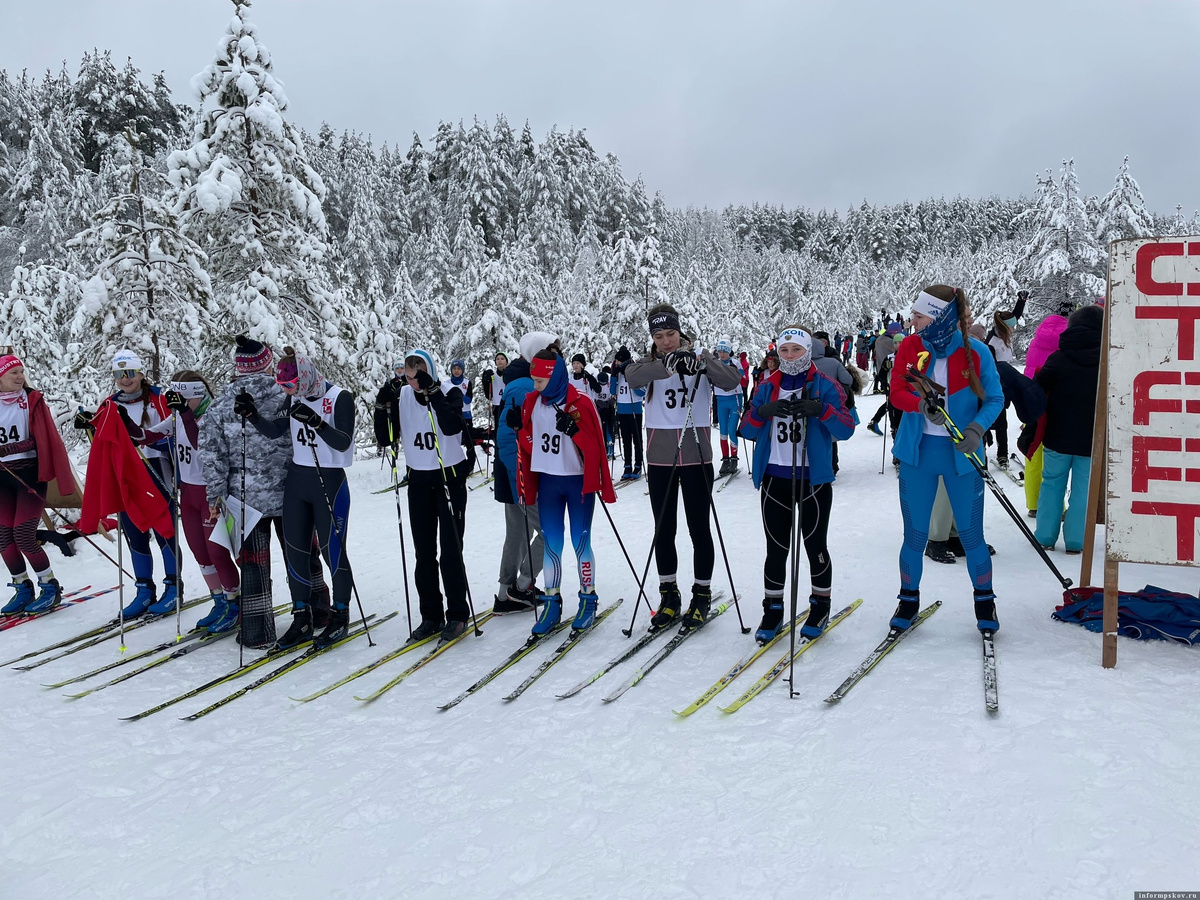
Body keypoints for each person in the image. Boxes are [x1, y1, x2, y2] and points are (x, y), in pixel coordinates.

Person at [201, 336, 332, 647]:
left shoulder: (220, 406)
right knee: (302, 554)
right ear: (267, 363)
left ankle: (258, 630)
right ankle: (319, 611)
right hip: (292, 492)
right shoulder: (287, 395)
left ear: (238, 367)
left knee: (253, 564)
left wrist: (214, 496)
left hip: (244, 498)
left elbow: (212, 455)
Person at [889, 285, 1004, 633]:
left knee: (971, 535)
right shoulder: (910, 347)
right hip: (918, 454)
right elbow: (896, 390)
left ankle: (985, 601)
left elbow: (995, 399)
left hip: (961, 456)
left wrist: (976, 429)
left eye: (919, 316)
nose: (912, 321)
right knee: (915, 536)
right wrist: (919, 404)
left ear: (939, 317)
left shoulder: (977, 352)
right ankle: (908, 600)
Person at [624, 304, 741, 629]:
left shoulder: (699, 357)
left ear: (681, 332)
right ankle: (669, 595)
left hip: (695, 454)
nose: (666, 341)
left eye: (671, 334)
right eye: (659, 336)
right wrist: (665, 366)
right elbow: (631, 376)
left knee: (699, 529)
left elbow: (732, 380)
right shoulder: (649, 362)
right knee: (664, 529)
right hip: (660, 457)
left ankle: (701, 595)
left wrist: (702, 362)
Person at [235, 348, 356, 649]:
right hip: (298, 481)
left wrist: (318, 422)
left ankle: (340, 614)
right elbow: (277, 431)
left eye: (293, 386)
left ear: (306, 375)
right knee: (295, 552)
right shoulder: (296, 398)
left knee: (332, 551)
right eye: (285, 387)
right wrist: (252, 415)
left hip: (329, 480)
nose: (289, 391)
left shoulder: (340, 397)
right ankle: (302, 617)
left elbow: (343, 442)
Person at [739, 329, 855, 641]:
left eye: (796, 350)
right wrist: (763, 412)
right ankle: (773, 610)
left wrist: (822, 410)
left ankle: (820, 606)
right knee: (776, 550)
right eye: (785, 350)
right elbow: (746, 428)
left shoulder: (825, 384)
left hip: (812, 480)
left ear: (808, 351)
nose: (790, 357)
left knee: (815, 546)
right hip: (775, 478)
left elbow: (846, 429)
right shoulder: (767, 385)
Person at [517, 346, 616, 634]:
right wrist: (519, 430)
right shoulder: (533, 402)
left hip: (577, 483)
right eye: (533, 380)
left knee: (580, 541)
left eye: (540, 381)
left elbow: (597, 448)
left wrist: (575, 431)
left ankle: (588, 599)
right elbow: (531, 445)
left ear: (555, 376)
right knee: (551, 544)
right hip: (548, 482)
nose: (535, 386)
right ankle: (552, 602)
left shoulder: (580, 402)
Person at [75, 350, 180, 618]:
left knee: (164, 529)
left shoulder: (159, 398)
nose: (125, 379)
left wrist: (145, 440)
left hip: (156, 468)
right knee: (134, 531)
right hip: (125, 472)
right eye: (119, 374)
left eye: (130, 373)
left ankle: (173, 588)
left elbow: (176, 435)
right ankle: (144, 590)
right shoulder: (109, 403)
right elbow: (103, 442)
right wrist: (90, 425)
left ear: (140, 373)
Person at [147, 372, 241, 624]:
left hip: (212, 493)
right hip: (188, 492)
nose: (179, 404)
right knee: (200, 553)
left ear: (197, 396)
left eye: (184, 399)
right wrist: (117, 421)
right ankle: (219, 601)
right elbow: (146, 436)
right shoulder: (179, 415)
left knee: (217, 552)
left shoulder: (212, 414)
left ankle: (235, 605)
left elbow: (203, 443)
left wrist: (186, 415)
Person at [394, 349, 473, 641]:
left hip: (448, 479)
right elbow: (388, 433)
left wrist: (434, 393)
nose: (415, 382)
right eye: (411, 376)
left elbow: (453, 426)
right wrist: (382, 406)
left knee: (451, 551)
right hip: (418, 481)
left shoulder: (449, 392)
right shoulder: (403, 395)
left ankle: (457, 615)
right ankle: (431, 615)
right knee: (423, 553)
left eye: (420, 375)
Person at [0, 355, 76, 614]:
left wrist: (15, 447)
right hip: (2, 478)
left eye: (22, 371)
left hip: (29, 476)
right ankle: (23, 588)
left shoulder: (30, 400)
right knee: (3, 536)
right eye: (14, 373)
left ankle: (50, 587)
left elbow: (45, 438)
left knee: (23, 535)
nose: (20, 377)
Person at [1033, 305, 1103, 554]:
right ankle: (1076, 540)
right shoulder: (1107, 361)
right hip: (1091, 439)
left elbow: (1037, 390)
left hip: (1057, 435)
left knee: (1051, 484)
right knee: (1084, 490)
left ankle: (1044, 536)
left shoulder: (1058, 358)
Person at [493, 334, 546, 613]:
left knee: (517, 531)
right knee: (549, 532)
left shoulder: (516, 382)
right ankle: (522, 586)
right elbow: (510, 437)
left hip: (509, 472)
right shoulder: (527, 385)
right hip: (520, 473)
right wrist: (521, 480)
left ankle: (504, 593)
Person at [1020, 302, 1072, 516]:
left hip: (1032, 399)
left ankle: (1033, 503)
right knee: (1054, 458)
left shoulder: (1037, 339)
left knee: (1032, 452)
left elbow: (1029, 368)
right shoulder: (1067, 339)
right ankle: (1055, 508)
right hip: (1057, 403)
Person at [610, 346, 645, 481]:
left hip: (634, 408)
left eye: (618, 361)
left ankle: (638, 464)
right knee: (625, 440)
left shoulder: (634, 370)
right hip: (622, 409)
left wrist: (630, 377)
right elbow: (613, 391)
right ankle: (627, 465)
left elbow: (640, 392)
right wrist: (614, 375)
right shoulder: (617, 373)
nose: (617, 364)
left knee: (636, 439)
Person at [712, 340, 744, 477]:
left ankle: (734, 459)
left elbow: (744, 378)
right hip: (720, 400)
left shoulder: (735, 363)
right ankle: (725, 459)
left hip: (734, 399)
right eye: (720, 351)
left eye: (724, 351)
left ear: (729, 351)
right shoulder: (716, 363)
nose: (722, 354)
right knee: (723, 431)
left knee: (732, 430)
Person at [446, 358, 475, 445]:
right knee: (453, 442)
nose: (456, 371)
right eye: (454, 368)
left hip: (466, 415)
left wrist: (459, 394)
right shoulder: (446, 383)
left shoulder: (467, 383)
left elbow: (468, 400)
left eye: (459, 369)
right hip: (453, 415)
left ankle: (471, 457)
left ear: (462, 370)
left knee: (469, 441)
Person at [481, 352, 508, 438]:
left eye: (502, 359)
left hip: (508, 405)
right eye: (498, 359)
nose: (500, 361)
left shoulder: (510, 374)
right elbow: (488, 394)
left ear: (506, 362)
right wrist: (485, 380)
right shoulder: (493, 375)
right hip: (497, 406)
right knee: (499, 430)